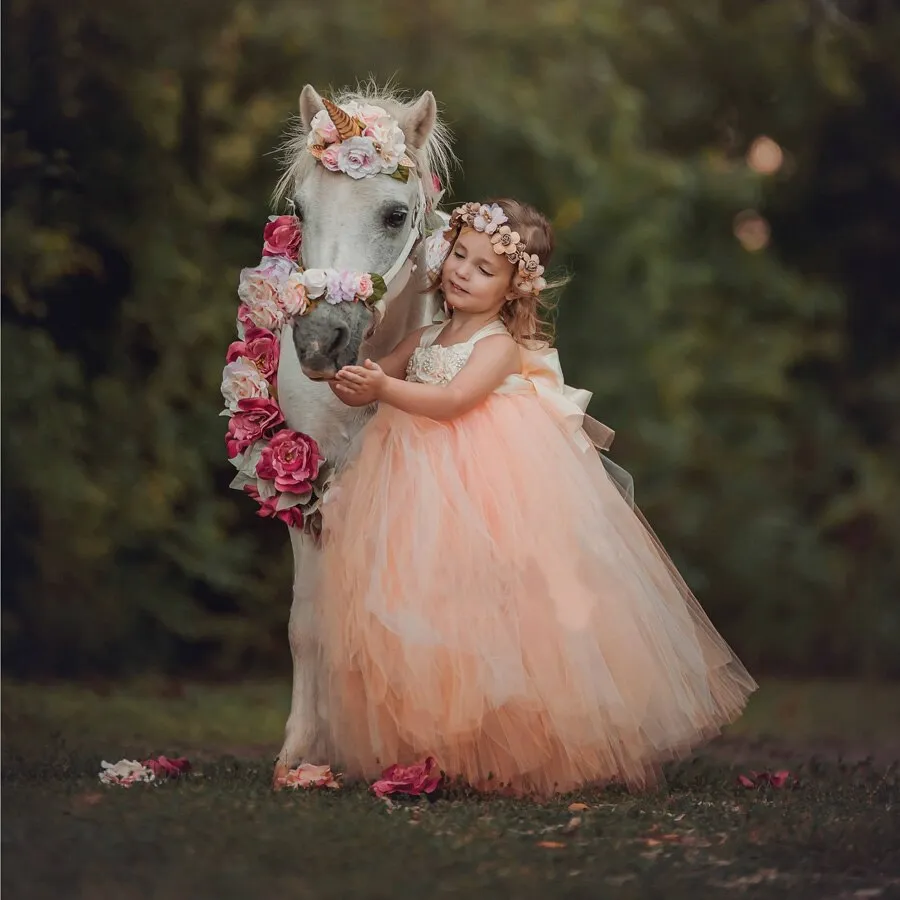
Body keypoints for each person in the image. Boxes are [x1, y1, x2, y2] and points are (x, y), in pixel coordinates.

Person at [318, 198, 757, 796]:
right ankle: (437, 744)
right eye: (460, 256)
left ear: (513, 289)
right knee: (420, 599)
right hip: (405, 481)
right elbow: (373, 387)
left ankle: (508, 740)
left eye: (483, 268)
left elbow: (450, 403)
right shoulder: (423, 334)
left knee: (495, 602)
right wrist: (349, 381)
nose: (462, 272)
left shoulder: (498, 347)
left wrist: (386, 386)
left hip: (480, 479)